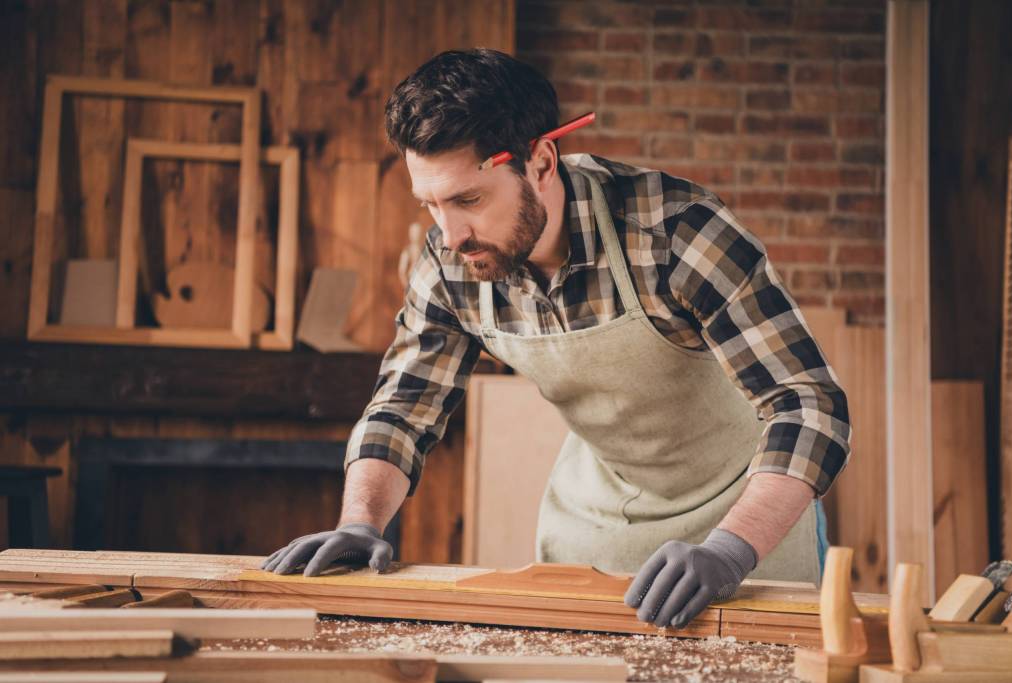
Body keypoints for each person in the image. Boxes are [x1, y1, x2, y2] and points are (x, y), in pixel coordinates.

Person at [262, 48, 851, 630]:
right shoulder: (451, 263)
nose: (451, 234)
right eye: (432, 205)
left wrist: (730, 552)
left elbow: (808, 405)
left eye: (469, 199)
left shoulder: (675, 233)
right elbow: (402, 410)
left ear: (542, 162)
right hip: (592, 526)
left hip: (744, 524)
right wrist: (360, 522)